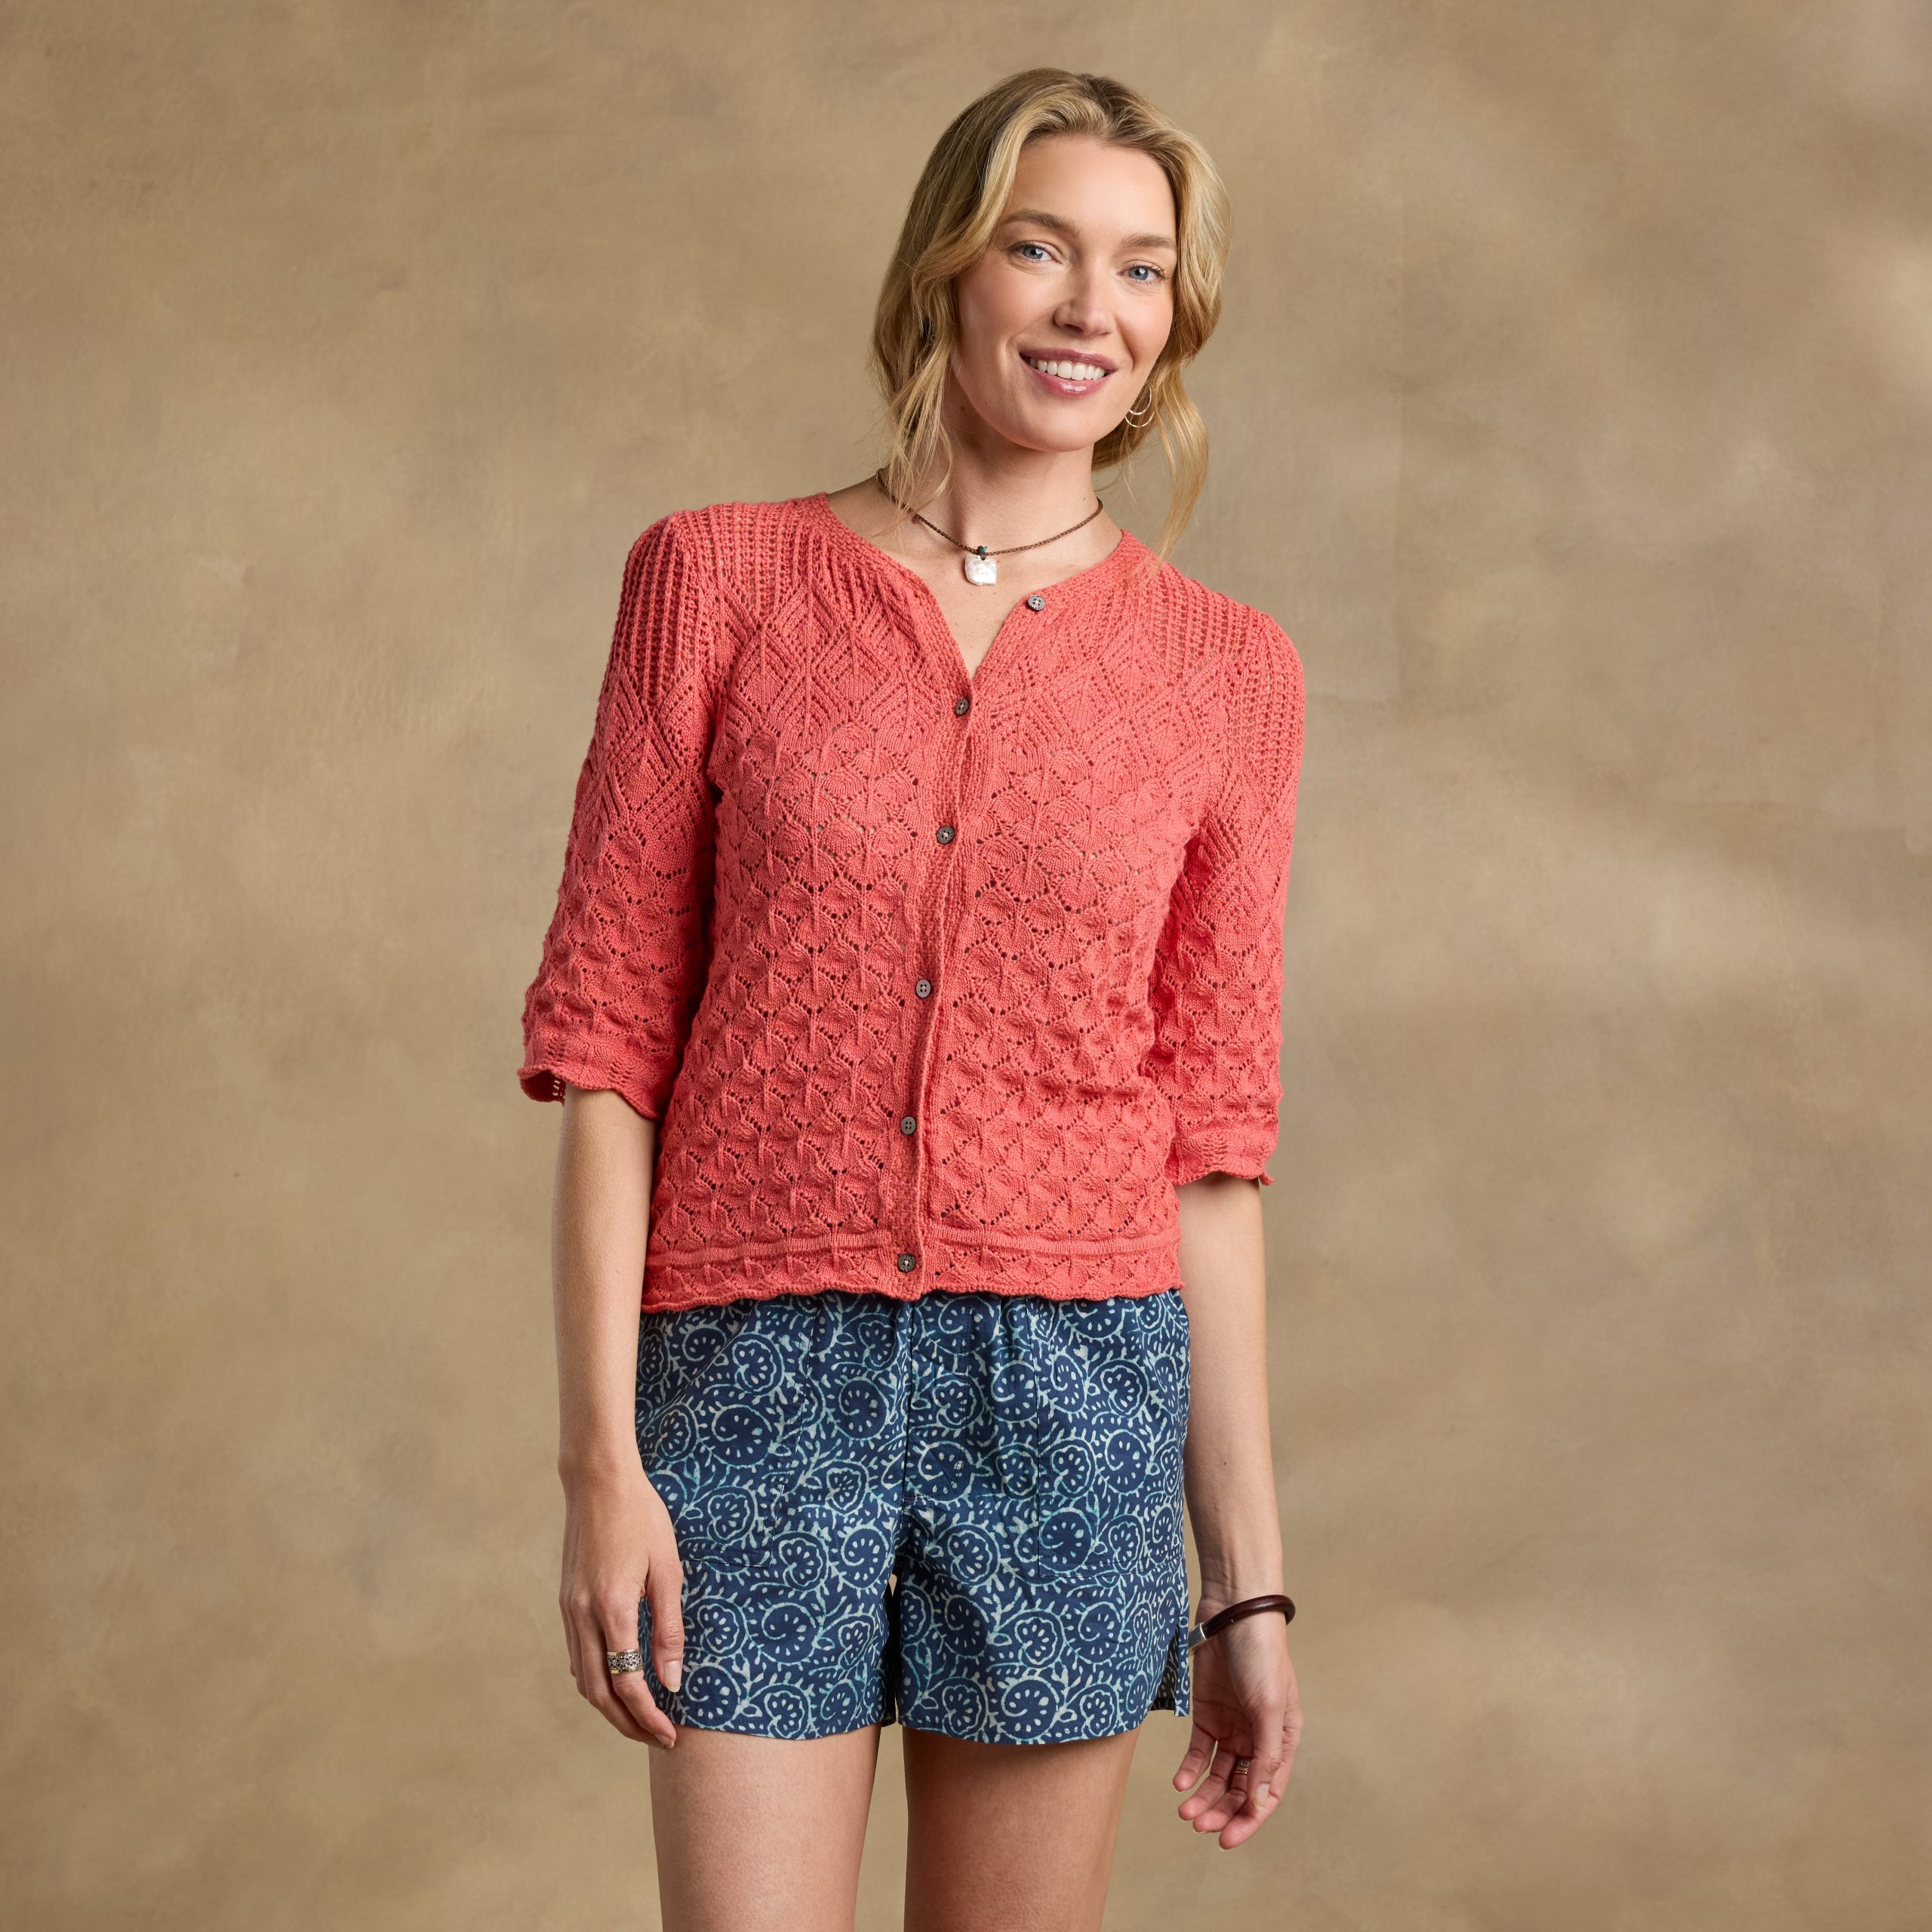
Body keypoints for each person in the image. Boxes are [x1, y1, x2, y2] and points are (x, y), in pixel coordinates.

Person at [518, 66, 1307, 1931]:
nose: (1088, 307)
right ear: (945, 267)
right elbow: (611, 1049)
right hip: (751, 1377)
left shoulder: (1226, 675)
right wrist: (601, 1462)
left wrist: (1246, 1583)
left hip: (1072, 1393)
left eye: (1137, 268)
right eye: (1039, 248)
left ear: (1173, 317)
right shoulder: (713, 583)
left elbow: (1208, 1148)